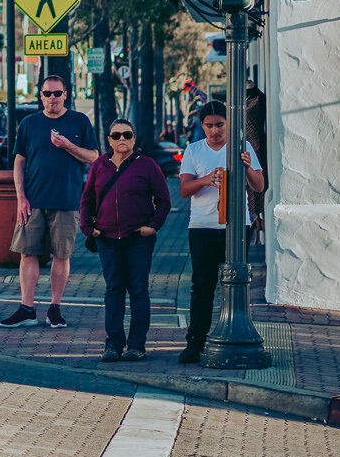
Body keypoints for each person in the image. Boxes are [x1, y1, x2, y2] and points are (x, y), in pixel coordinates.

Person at [0, 72, 96, 328]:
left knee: (61, 255)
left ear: (66, 94)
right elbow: (19, 161)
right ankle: (26, 308)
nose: (52, 98)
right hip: (33, 201)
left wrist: (68, 146)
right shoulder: (29, 123)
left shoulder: (80, 121)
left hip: (66, 200)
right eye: (47, 93)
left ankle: (55, 308)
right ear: (40, 95)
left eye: (57, 93)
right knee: (27, 253)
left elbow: (94, 157)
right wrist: (21, 198)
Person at [176, 99, 265, 365]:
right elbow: (184, 189)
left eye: (220, 125)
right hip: (202, 226)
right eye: (209, 125)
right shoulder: (193, 150)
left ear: (229, 124)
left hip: (236, 226)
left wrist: (248, 166)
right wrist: (207, 179)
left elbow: (259, 186)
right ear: (201, 125)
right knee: (202, 285)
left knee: (236, 284)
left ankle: (234, 334)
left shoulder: (242, 147)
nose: (215, 131)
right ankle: (195, 342)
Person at [80, 119, 171, 361]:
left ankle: (137, 346)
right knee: (114, 290)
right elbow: (87, 199)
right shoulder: (99, 165)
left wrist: (153, 226)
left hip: (137, 239)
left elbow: (164, 201)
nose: (122, 139)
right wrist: (88, 228)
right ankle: (113, 345)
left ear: (134, 139)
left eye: (127, 135)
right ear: (109, 140)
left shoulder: (147, 165)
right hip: (107, 239)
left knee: (138, 290)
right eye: (117, 135)